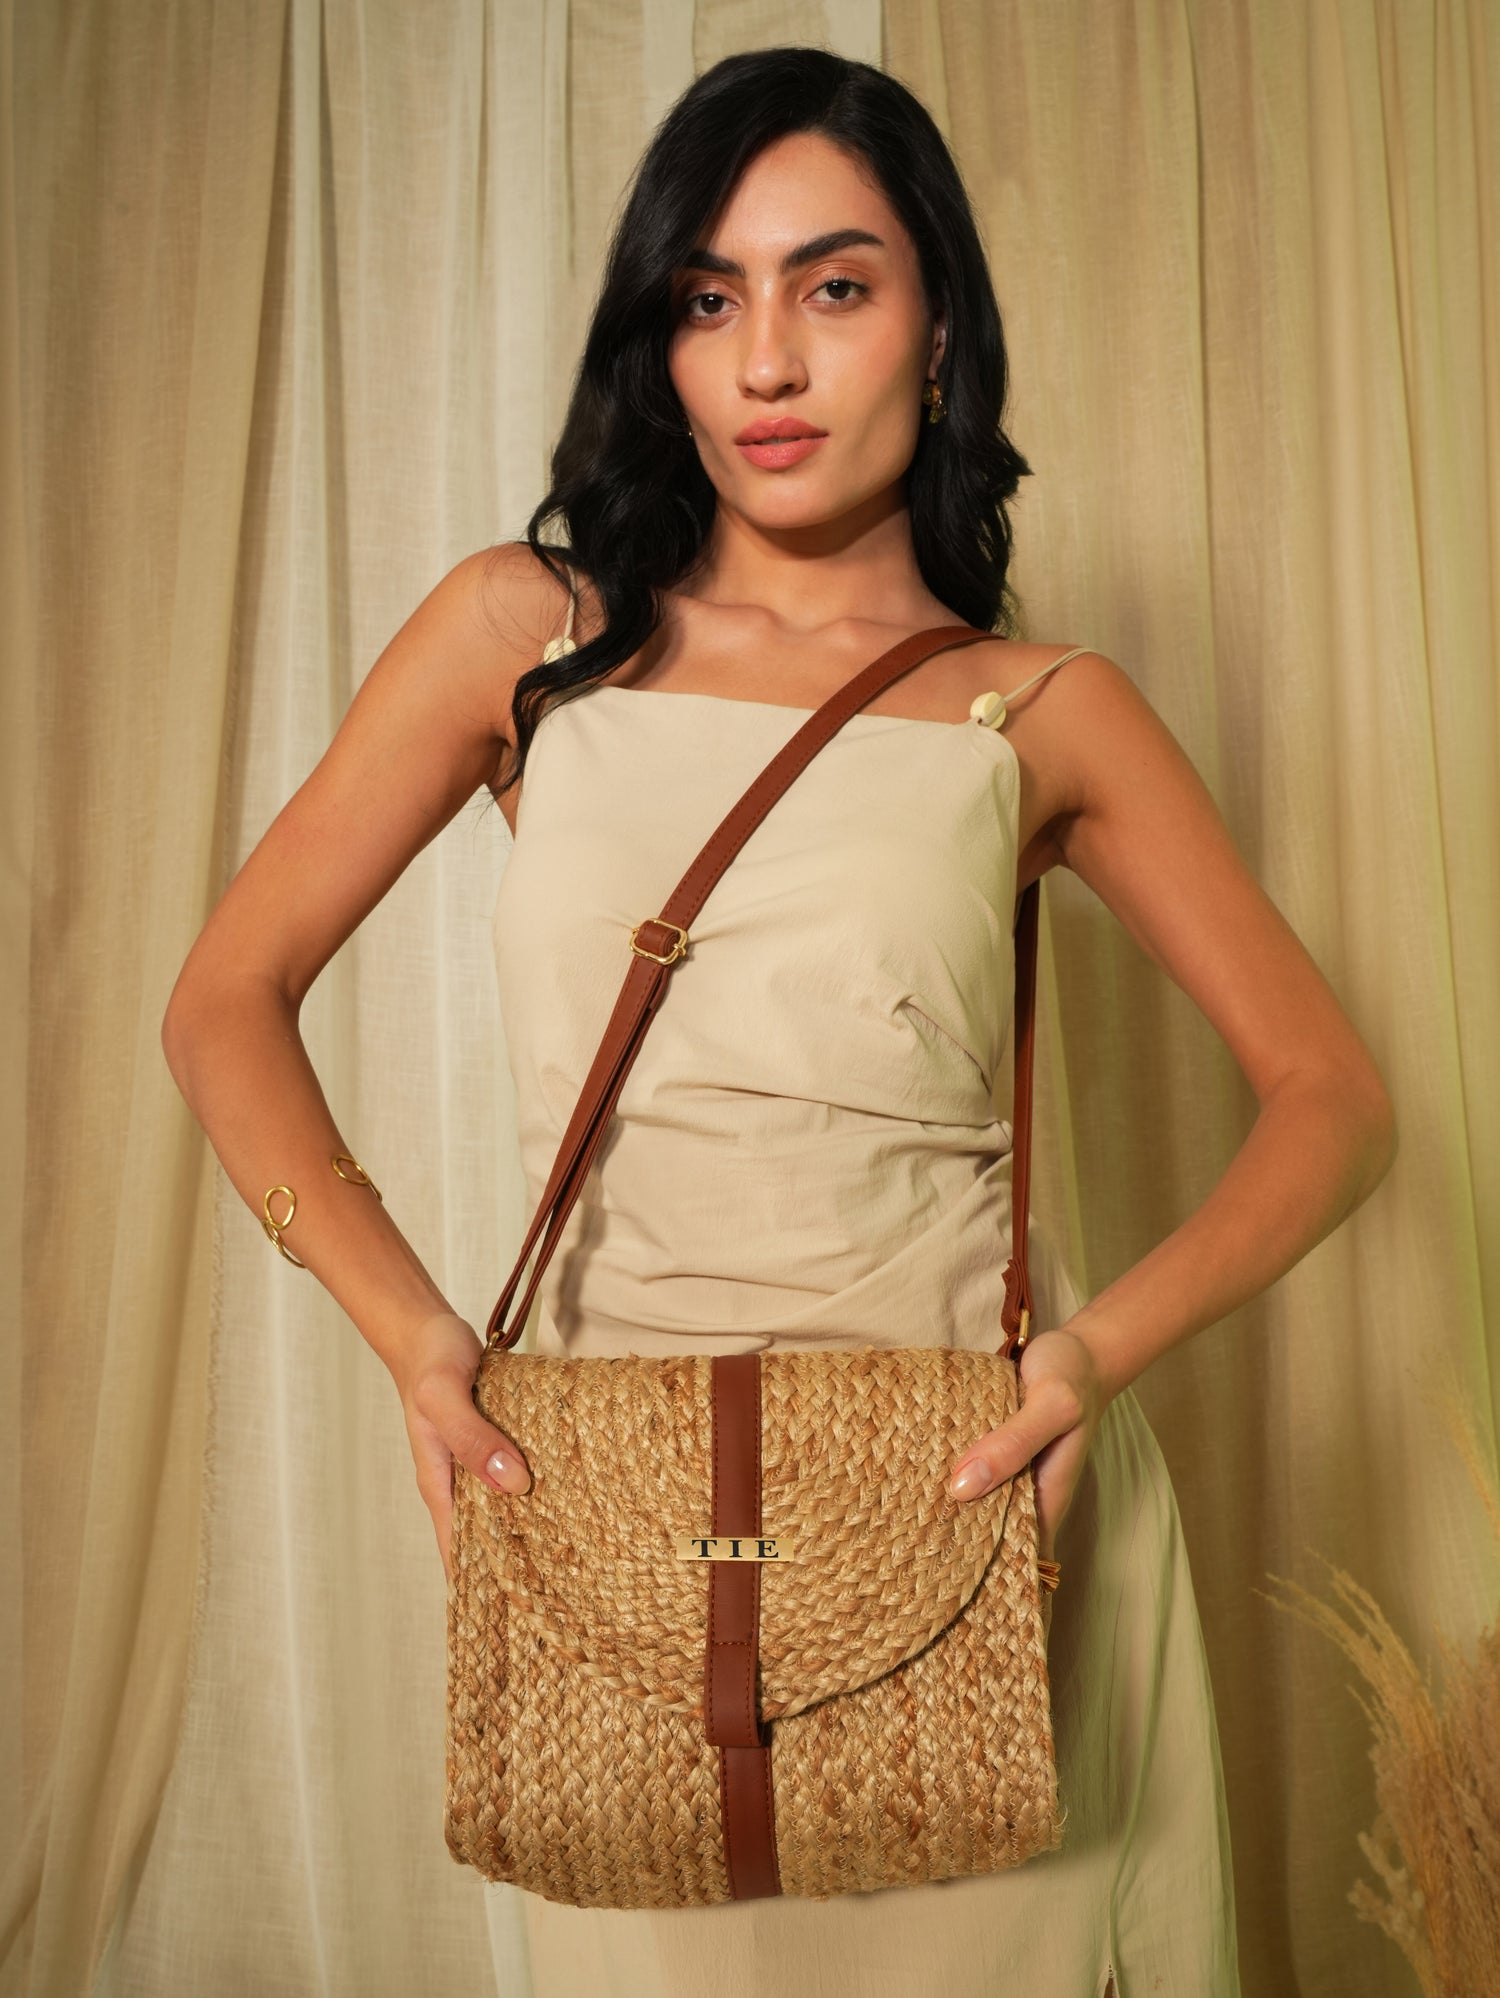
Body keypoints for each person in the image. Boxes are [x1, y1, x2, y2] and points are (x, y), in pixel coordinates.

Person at [162, 45, 1397, 1998]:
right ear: (658, 342)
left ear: (939, 325)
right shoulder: (531, 640)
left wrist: (1088, 1358)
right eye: (707, 295)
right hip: (613, 1558)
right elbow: (224, 998)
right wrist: (414, 1334)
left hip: (972, 1530)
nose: (767, 360)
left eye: (835, 286)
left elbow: (1334, 1097)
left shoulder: (1037, 704)